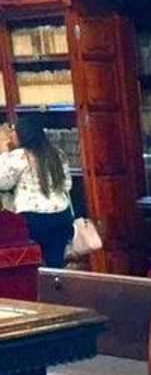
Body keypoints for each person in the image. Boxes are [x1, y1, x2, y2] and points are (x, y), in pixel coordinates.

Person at [0, 114, 74, 268]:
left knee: (34, 265)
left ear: (23, 134)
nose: (11, 134)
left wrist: (4, 153)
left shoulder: (18, 157)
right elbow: (67, 185)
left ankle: (40, 292)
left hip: (32, 219)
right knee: (56, 266)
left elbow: (2, 182)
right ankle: (57, 291)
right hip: (61, 215)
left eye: (14, 131)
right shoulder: (57, 154)